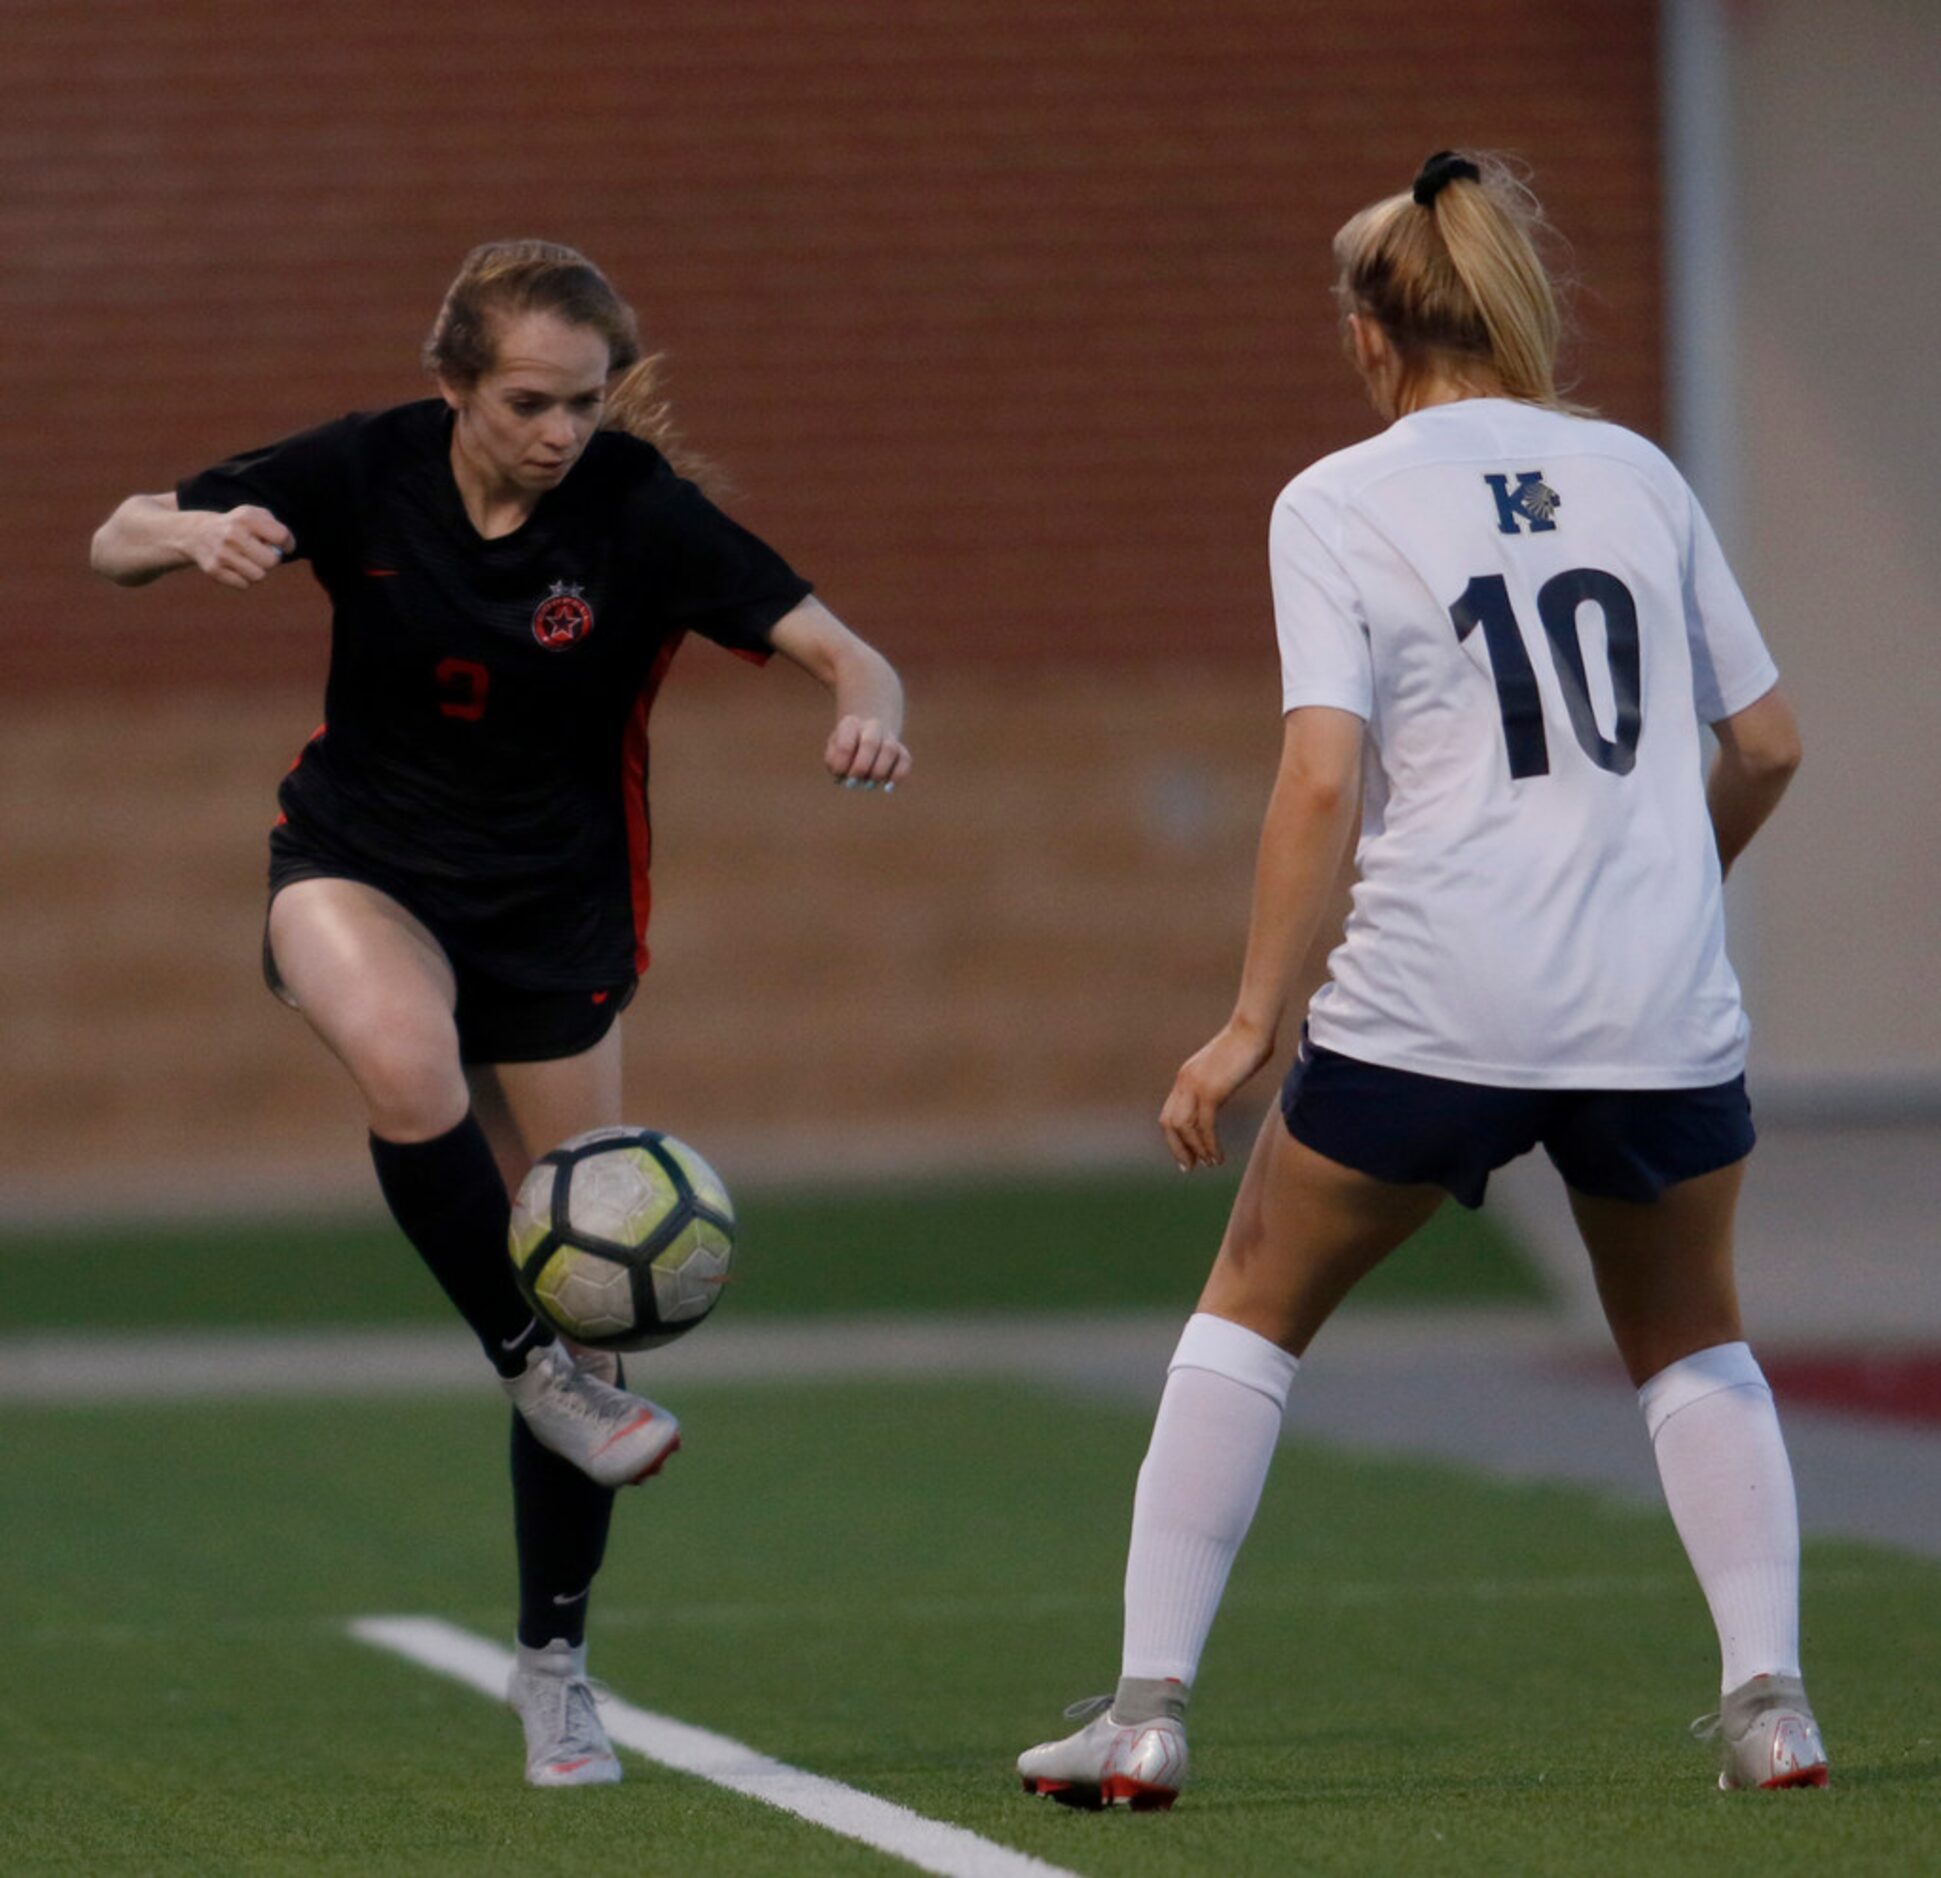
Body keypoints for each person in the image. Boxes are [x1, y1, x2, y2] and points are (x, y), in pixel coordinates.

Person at [1017, 151, 1819, 1809]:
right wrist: (1661, 886)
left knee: (1250, 1307)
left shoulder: (1336, 497)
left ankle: (1148, 1709)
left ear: (1372, 336)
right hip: (1653, 1011)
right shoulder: (1638, 476)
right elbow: (1766, 743)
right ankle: (1771, 1706)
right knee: (1689, 1340)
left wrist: (1248, 1024)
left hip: (1434, 999)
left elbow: (1321, 775)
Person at [90, 240, 911, 1787]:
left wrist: (866, 704)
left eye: (584, 404)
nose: (559, 431)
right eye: (528, 401)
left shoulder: (637, 512)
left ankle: (555, 1664)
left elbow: (841, 644)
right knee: (406, 1067)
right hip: (358, 864)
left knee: (600, 1289)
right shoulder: (364, 466)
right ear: (451, 382)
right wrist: (189, 536)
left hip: (556, 921)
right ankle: (529, 1359)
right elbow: (112, 538)